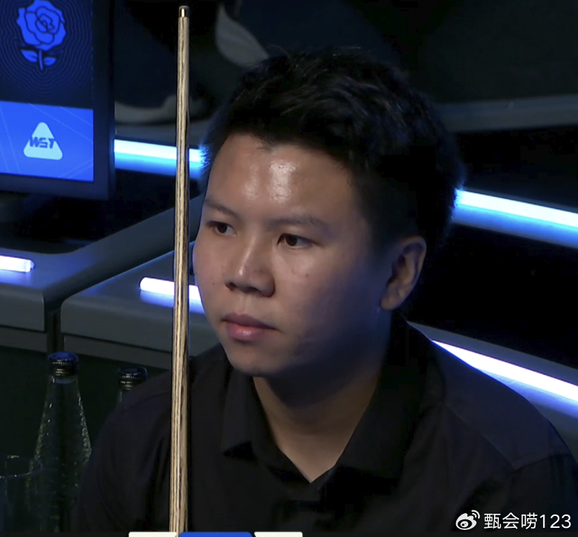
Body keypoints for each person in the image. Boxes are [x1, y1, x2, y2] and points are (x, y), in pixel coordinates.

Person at [74, 47, 578, 532]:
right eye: (222, 227)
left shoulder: (509, 481)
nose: (244, 273)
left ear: (398, 272)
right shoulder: (150, 436)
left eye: (293, 239)